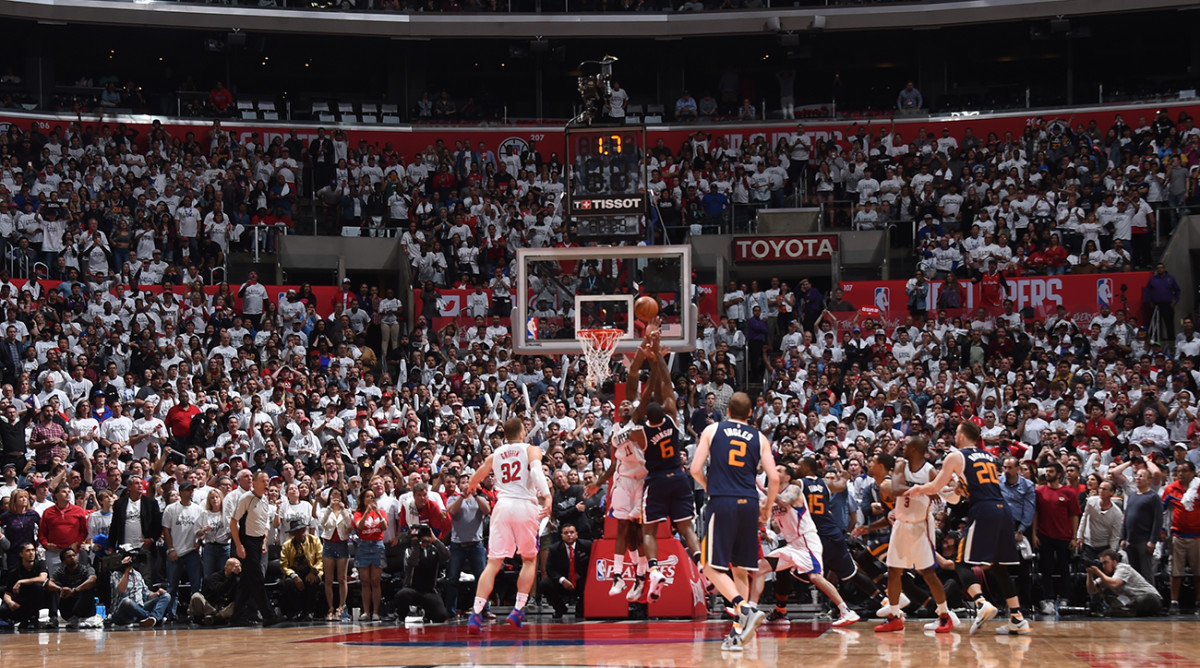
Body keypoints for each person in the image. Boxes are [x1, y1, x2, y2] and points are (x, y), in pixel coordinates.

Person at [904, 418, 1029, 635]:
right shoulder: (990, 456)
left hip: (984, 510)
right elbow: (954, 498)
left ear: (961, 435)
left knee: (960, 562)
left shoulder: (956, 455)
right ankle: (1017, 618)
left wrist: (918, 489)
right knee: (999, 566)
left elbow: (935, 485)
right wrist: (956, 490)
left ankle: (981, 603)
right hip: (1003, 510)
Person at [690, 390, 780, 652]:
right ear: (751, 414)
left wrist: (709, 486)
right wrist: (768, 509)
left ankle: (744, 608)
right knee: (740, 569)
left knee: (709, 566)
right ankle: (738, 636)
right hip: (750, 504)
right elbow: (774, 478)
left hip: (723, 501)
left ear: (728, 411)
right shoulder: (760, 437)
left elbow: (695, 469)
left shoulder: (713, 430)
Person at [464, 416, 551, 632]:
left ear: (505, 435)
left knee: (493, 563)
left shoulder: (496, 455)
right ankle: (518, 609)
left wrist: (471, 487)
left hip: (502, 507)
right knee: (529, 559)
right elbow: (538, 472)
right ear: (522, 433)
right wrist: (548, 496)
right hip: (524, 505)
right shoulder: (531, 449)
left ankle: (475, 614)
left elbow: (476, 477)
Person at [747, 464, 859, 628]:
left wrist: (765, 490)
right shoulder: (770, 498)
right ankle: (750, 611)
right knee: (759, 569)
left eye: (779, 471)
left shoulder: (794, 490)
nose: (774, 471)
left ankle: (846, 611)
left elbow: (785, 501)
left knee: (815, 577)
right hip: (792, 545)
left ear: (786, 478)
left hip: (807, 542)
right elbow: (761, 520)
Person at [637, 326, 703, 600]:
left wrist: (647, 359)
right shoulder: (673, 419)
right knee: (686, 525)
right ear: (663, 411)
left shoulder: (640, 432)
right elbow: (666, 384)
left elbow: (641, 406)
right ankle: (699, 560)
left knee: (648, 530)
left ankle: (653, 569)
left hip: (656, 480)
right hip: (679, 476)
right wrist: (659, 356)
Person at [874, 437, 956, 633]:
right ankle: (895, 617)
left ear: (915, 450)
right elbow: (896, 489)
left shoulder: (930, 471)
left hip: (921, 526)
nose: (903, 448)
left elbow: (945, 493)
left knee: (928, 573)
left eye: (907, 446)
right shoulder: (901, 465)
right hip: (901, 524)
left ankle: (945, 615)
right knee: (893, 571)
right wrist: (925, 490)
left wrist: (951, 489)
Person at [585, 397, 648, 602]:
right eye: (623, 404)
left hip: (641, 481)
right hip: (622, 481)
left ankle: (640, 574)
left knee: (637, 530)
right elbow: (613, 463)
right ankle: (618, 575)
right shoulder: (614, 430)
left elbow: (645, 399)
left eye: (629, 404)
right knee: (623, 528)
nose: (625, 405)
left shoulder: (637, 423)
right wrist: (599, 482)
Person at [229, 470, 282, 626]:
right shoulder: (246, 499)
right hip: (247, 541)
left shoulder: (265, 500)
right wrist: (239, 545)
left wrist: (264, 541)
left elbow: (264, 524)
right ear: (255, 483)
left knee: (247, 581)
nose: (267, 483)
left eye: (268, 481)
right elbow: (233, 522)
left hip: (259, 542)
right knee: (258, 578)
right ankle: (268, 615)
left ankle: (236, 616)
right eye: (264, 481)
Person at [1032, 461, 1081, 616]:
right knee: (1046, 569)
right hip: (1045, 535)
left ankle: (1065, 597)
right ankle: (1048, 598)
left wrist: (1074, 537)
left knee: (1064, 569)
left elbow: (1074, 515)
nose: (1047, 474)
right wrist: (1034, 534)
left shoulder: (1069, 492)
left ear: (1059, 474)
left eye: (1051, 471)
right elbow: (1036, 514)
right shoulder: (1039, 492)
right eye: (1046, 471)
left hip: (1064, 536)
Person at [444, 472, 490, 618]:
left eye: (468, 482)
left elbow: (487, 510)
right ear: (458, 485)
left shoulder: (480, 498)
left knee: (482, 578)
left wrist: (475, 495)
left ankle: (485, 609)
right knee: (452, 578)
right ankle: (451, 610)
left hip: (476, 544)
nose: (466, 484)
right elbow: (451, 511)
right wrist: (463, 496)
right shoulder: (453, 498)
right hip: (458, 545)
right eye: (463, 482)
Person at [162, 481, 204, 621]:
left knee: (196, 585)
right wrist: (171, 549)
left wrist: (199, 542)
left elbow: (202, 530)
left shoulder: (198, 510)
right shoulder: (171, 509)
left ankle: (195, 613)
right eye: (187, 490)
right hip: (176, 552)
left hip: (192, 552)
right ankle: (171, 614)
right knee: (172, 587)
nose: (190, 492)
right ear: (180, 493)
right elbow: (166, 530)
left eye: (192, 490)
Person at [1162, 461, 1200, 615]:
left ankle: (1198, 602)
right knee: (1176, 572)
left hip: (1197, 536)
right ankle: (1174, 602)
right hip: (1177, 535)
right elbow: (1161, 510)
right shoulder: (1171, 489)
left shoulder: (1198, 488)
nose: (1180, 474)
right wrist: (1162, 529)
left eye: (1184, 471)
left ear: (1192, 472)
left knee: (1198, 572)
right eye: (1178, 471)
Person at [394, 523, 450, 623]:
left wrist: (435, 540)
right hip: (413, 589)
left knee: (441, 616)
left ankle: (428, 613)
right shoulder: (410, 550)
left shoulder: (434, 550)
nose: (425, 535)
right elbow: (413, 561)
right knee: (402, 595)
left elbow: (447, 555)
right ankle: (401, 615)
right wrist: (415, 543)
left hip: (429, 590)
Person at [1085, 549, 1163, 617]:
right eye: (1102, 563)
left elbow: (1114, 584)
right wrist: (1090, 574)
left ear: (1115, 562)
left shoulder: (1123, 568)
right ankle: (1128, 611)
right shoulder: (1106, 575)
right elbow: (1092, 590)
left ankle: (1128, 611)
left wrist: (1098, 572)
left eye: (1106, 563)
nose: (1103, 566)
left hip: (1151, 598)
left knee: (1141, 601)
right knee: (1118, 608)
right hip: (1136, 602)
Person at [540, 523, 590, 619]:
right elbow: (549, 568)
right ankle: (560, 608)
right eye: (566, 533)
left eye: (572, 532)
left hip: (580, 581)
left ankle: (580, 610)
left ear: (577, 534)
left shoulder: (587, 546)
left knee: (589, 583)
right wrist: (562, 580)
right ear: (561, 536)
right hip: (563, 582)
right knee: (545, 583)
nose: (569, 535)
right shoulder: (554, 548)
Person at [110, 552, 172, 628]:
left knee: (166, 596)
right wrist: (126, 570)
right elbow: (121, 590)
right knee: (127, 601)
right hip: (122, 612)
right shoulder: (116, 574)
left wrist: (157, 593)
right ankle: (155, 618)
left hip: (139, 609)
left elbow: (147, 594)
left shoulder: (137, 574)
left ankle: (153, 618)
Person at [354, 486, 387, 622]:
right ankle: (366, 611)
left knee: (375, 581)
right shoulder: (358, 513)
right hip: (363, 546)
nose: (371, 499)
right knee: (365, 581)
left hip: (377, 545)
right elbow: (359, 527)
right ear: (363, 499)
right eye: (368, 496)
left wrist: (377, 513)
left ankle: (376, 612)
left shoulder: (381, 512)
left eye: (373, 497)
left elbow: (384, 526)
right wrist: (367, 513)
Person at [279, 518, 324, 621]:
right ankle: (295, 611)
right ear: (293, 533)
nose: (300, 533)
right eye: (296, 531)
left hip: (312, 571)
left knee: (311, 582)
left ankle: (309, 612)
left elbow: (321, 559)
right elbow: (284, 565)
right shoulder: (287, 545)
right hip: (295, 573)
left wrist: (313, 572)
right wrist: (294, 576)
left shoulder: (315, 540)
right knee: (289, 583)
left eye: (302, 530)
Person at [45, 546, 98, 627]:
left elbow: (92, 579)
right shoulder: (61, 571)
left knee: (88, 586)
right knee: (55, 586)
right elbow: (49, 583)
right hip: (68, 607)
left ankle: (77, 618)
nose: (72, 558)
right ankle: (53, 618)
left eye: (74, 555)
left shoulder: (86, 568)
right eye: (69, 557)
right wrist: (60, 589)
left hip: (84, 606)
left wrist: (75, 590)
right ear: (63, 561)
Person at [0, 542, 48, 629]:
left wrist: (21, 581)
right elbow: (7, 593)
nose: (31, 553)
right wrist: (10, 602)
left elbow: (42, 578)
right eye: (28, 551)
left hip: (39, 598)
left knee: (37, 586)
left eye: (33, 550)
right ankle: (21, 619)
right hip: (21, 599)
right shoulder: (15, 570)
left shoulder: (41, 564)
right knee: (3, 610)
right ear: (21, 554)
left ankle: (34, 618)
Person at [188, 557, 241, 626]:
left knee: (239, 602)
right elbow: (221, 590)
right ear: (225, 567)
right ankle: (211, 615)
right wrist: (233, 576)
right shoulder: (215, 577)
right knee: (196, 596)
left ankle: (214, 617)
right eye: (233, 566)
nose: (235, 569)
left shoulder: (239, 579)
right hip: (210, 607)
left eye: (237, 566)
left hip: (224, 610)